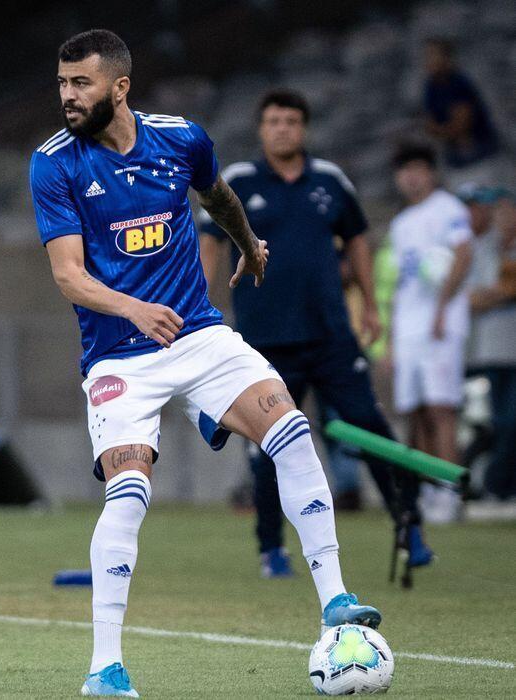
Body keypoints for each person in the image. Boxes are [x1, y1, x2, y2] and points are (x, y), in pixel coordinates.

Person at [29, 30, 381, 697]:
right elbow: (69, 276)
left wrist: (248, 244)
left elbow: (215, 195)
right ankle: (105, 668)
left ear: (120, 87)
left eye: (81, 83)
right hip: (119, 357)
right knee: (129, 493)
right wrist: (132, 309)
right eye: (62, 83)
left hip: (197, 335)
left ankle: (334, 596)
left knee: (292, 429)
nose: (68, 96)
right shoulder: (54, 164)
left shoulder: (180, 139)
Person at [199, 89, 430, 579]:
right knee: (267, 446)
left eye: (291, 121)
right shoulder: (237, 181)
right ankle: (271, 550)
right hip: (263, 344)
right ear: (262, 129)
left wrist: (370, 304)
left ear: (303, 128)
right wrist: (200, 304)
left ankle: (409, 528)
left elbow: (359, 240)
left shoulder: (330, 181)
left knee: (372, 430)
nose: (282, 129)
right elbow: (210, 243)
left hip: (331, 337)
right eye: (274, 121)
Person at [387, 144, 473, 507]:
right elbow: (399, 284)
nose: (412, 176)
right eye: (405, 170)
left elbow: (463, 255)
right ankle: (424, 491)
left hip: (441, 325)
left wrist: (441, 307)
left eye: (419, 168)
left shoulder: (449, 209)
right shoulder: (400, 223)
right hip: (407, 327)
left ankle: (449, 490)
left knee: (441, 407)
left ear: (432, 173)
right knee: (414, 409)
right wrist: (391, 340)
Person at [462, 184, 516, 500]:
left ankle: (497, 483)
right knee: (497, 422)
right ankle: (494, 484)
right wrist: (504, 291)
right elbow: (470, 298)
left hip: (509, 350)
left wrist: (494, 292)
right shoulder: (482, 248)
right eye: (500, 213)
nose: (504, 219)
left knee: (507, 421)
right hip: (486, 352)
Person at [422, 39, 499, 172]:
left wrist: (442, 131)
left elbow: (461, 126)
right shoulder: (431, 86)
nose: (428, 61)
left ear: (447, 57)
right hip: (454, 153)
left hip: (480, 151)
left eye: (433, 55)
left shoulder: (458, 83)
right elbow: (430, 124)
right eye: (426, 56)